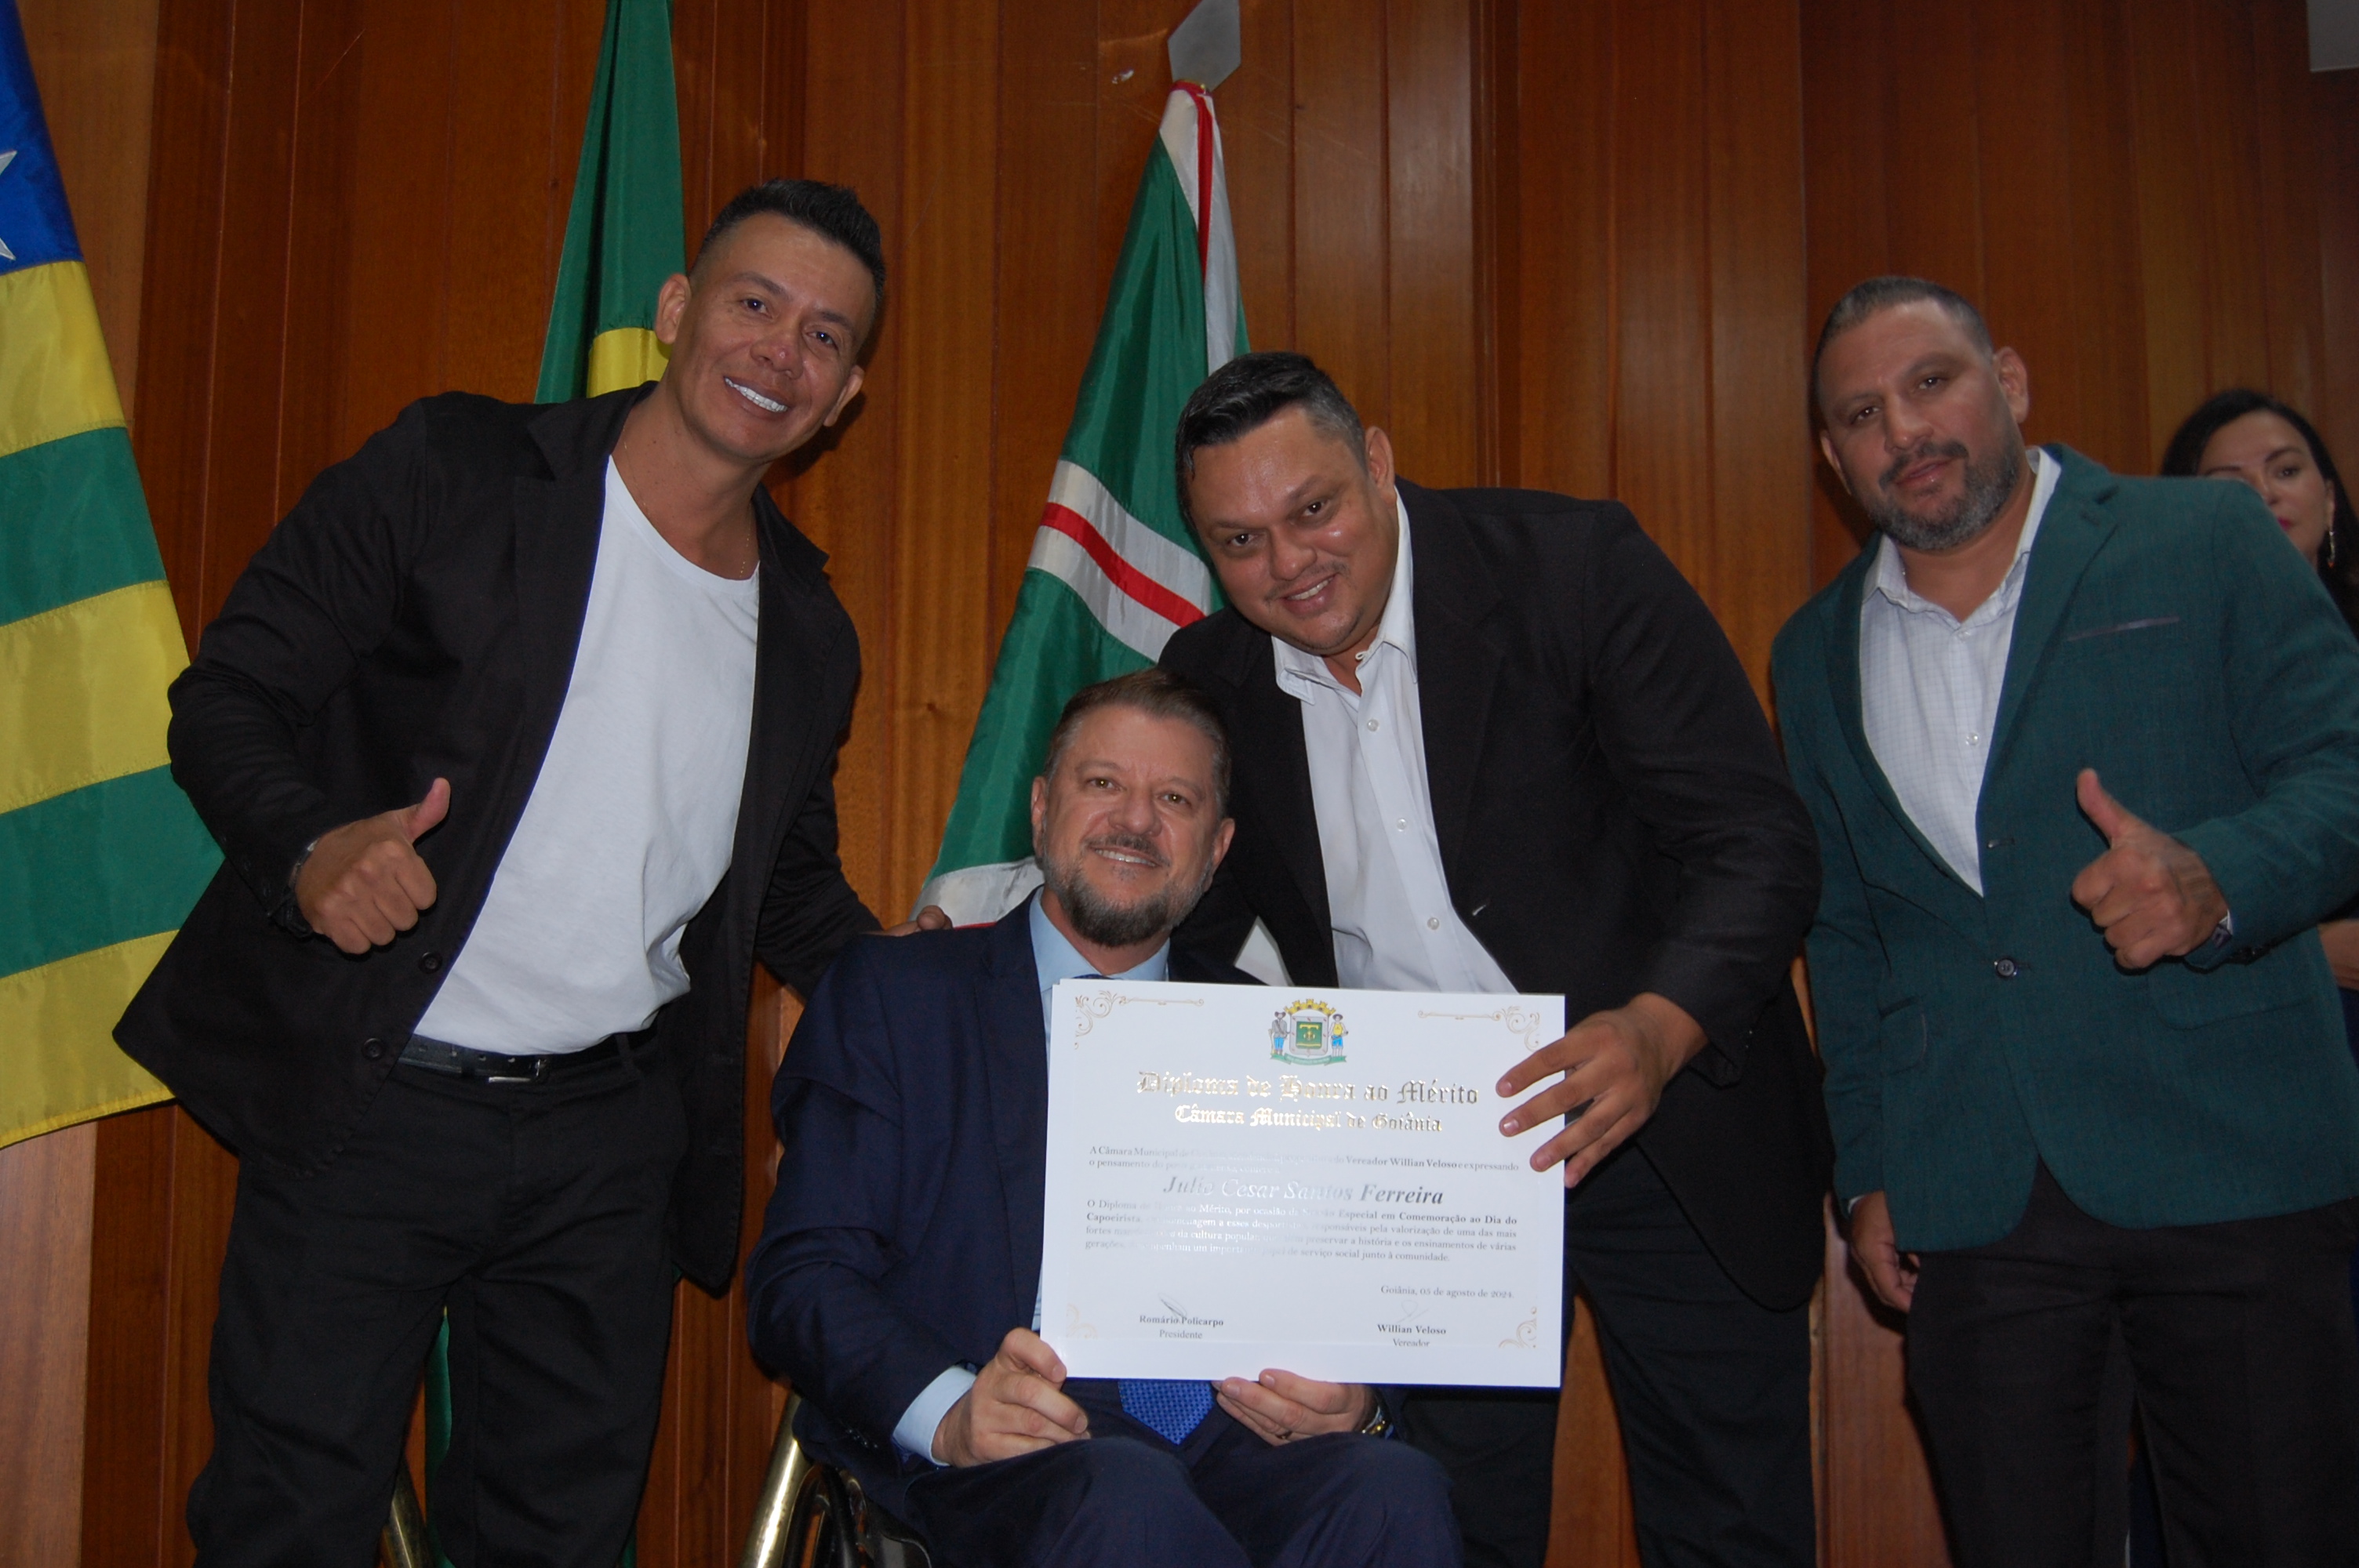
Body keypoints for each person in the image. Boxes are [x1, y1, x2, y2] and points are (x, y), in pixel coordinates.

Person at [117, 180, 944, 1566]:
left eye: (823, 337)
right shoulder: (456, 469)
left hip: (607, 1143)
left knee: (559, 1540)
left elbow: (784, 885)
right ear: (675, 310)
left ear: (846, 394)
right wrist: (311, 848)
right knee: (285, 1525)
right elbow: (227, 698)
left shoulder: (809, 628)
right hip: (372, 1097)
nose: (780, 352)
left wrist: (910, 983)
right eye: (754, 303)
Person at [1158, 352, 1832, 1568]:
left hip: (1664, 1117)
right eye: (1241, 541)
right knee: (1443, 1526)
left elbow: (1758, 842)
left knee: (1731, 1526)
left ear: (1377, 461)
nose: (1290, 562)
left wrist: (1657, 1029)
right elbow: (1186, 936)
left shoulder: (1570, 569)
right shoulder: (1210, 679)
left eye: (1314, 509)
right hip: (1425, 1168)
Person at [1774, 274, 2359, 1566]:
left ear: (2011, 383)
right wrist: (1866, 1167)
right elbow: (1847, 933)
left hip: (2232, 1152)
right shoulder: (1810, 654)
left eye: (1931, 383)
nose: (1903, 430)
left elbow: (2343, 764)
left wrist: (2217, 877)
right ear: (1831, 456)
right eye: (1862, 414)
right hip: (1975, 1192)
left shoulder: (2203, 535)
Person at [747, 670, 1460, 1568]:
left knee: (1393, 1488)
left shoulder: (1272, 1030)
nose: (1134, 820)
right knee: (1126, 1495)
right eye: (1102, 783)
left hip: (1229, 1440)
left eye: (1174, 799)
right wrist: (951, 1411)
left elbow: (1345, 1266)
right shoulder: (897, 997)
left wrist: (1357, 1397)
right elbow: (803, 1276)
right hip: (997, 1455)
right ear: (1041, 809)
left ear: (1217, 847)